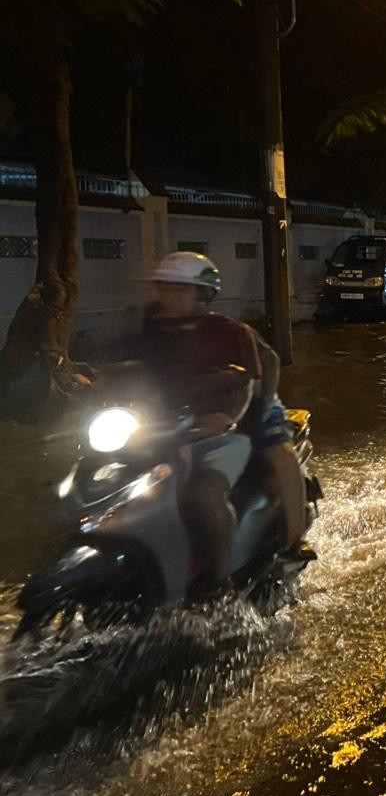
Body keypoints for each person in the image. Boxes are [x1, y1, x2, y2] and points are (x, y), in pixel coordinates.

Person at [125, 252, 304, 594]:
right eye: (164, 287)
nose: (168, 295)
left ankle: (290, 545)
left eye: (180, 289)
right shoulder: (153, 327)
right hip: (187, 417)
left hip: (247, 404)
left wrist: (234, 419)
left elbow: (250, 383)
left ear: (202, 294)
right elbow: (140, 371)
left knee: (277, 453)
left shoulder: (229, 332)